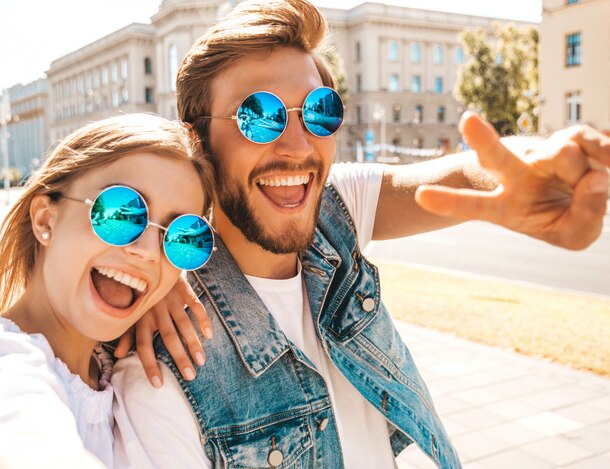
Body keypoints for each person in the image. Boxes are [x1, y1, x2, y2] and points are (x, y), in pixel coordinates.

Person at [111, 1, 610, 468]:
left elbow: (464, 172)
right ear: (195, 138)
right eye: (258, 117)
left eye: (319, 111)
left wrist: (541, 168)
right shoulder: (165, 367)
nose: (296, 145)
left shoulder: (334, 209)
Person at [0, 114, 214, 468]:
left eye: (182, 238)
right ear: (46, 220)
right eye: (123, 216)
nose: (149, 253)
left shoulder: (115, 372)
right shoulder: (4, 367)